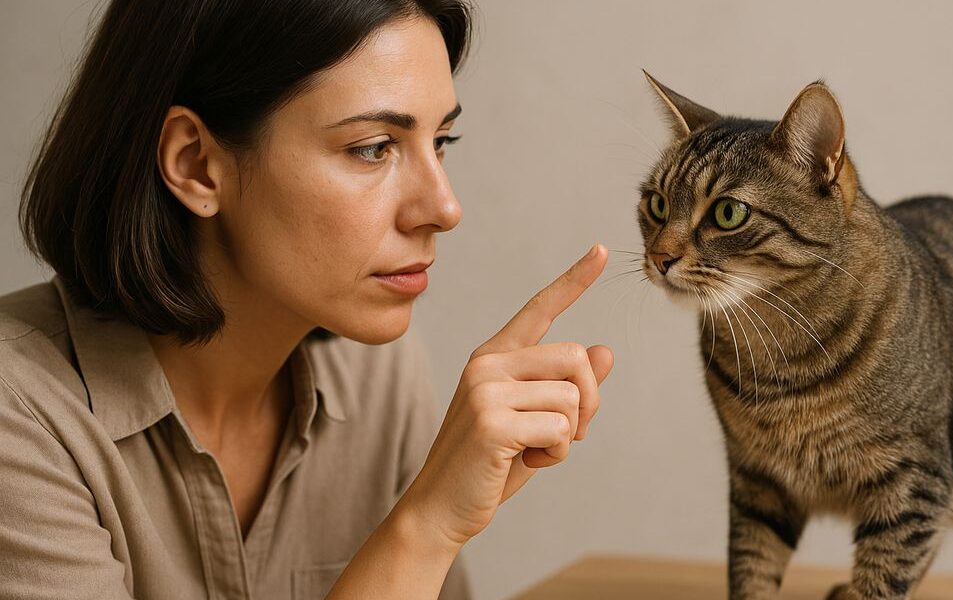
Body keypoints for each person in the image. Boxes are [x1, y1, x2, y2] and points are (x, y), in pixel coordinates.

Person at [0, 1, 614, 598]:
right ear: (196, 164)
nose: (445, 208)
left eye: (442, 140)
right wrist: (425, 529)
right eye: (372, 147)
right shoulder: (19, 417)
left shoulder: (379, 378)